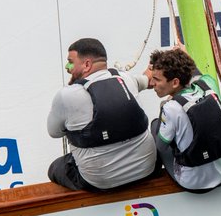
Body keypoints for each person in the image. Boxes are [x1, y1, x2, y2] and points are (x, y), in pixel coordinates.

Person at [46, 38, 156, 191]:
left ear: (87, 65)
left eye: (70, 62)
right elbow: (148, 81)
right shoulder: (126, 78)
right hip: (147, 170)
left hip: (102, 182)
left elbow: (54, 132)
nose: (67, 67)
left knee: (55, 168)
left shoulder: (66, 96)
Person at [147, 47, 221, 191]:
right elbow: (196, 73)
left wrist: (163, 110)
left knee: (155, 127)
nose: (152, 83)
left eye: (157, 79)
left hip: (196, 182)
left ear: (175, 82)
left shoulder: (171, 108)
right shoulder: (208, 84)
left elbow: (161, 147)